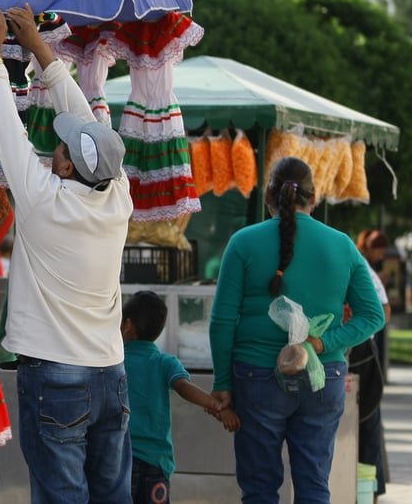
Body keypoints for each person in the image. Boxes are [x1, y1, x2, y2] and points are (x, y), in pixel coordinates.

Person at [0, 3, 135, 503]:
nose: (55, 149)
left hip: (55, 377)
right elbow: (87, 122)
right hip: (110, 373)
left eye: (62, 150)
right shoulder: (117, 195)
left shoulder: (44, 199)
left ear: (67, 170)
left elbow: (5, 125)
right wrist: (42, 51)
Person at [209, 156, 385, 502]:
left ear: (267, 198)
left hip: (256, 379)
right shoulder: (342, 245)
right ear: (314, 198)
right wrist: (321, 344)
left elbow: (222, 321)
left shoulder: (243, 243)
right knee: (314, 486)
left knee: (259, 489)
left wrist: (222, 384)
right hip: (324, 378)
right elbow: (372, 316)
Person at [122, 290, 240, 504]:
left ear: (128, 325)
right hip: (155, 462)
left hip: (120, 461)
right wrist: (218, 407)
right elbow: (184, 387)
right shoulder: (165, 362)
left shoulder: (115, 363)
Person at [354, 228, 392, 499]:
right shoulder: (357, 261)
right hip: (358, 347)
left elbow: (383, 311)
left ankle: (368, 491)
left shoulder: (359, 266)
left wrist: (355, 332)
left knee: (368, 420)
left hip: (363, 351)